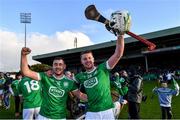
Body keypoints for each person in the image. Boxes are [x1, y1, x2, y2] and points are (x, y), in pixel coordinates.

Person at [20, 47, 87, 119]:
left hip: (60, 117)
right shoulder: (45, 76)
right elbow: (26, 72)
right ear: (52, 66)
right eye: (55, 64)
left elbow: (81, 95)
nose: (58, 66)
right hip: (43, 116)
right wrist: (23, 56)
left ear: (64, 66)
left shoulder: (69, 82)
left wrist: (98, 99)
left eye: (60, 64)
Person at [75, 34, 124, 119]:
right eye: (85, 59)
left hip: (107, 111)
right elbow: (69, 85)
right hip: (91, 113)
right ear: (81, 61)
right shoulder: (79, 76)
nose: (87, 60)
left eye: (89, 58)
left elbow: (118, 54)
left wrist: (120, 36)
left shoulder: (103, 68)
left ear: (93, 59)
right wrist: (80, 95)